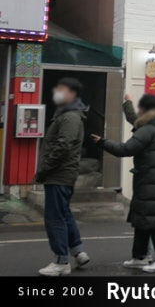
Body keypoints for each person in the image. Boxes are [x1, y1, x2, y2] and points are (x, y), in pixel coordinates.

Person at [92, 94, 155, 273]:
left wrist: (103, 142)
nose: (138, 111)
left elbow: (126, 149)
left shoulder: (149, 129)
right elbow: (135, 121)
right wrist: (127, 102)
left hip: (150, 181)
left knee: (153, 221)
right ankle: (139, 256)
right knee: (143, 220)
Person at [35, 77, 90, 276]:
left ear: (72, 94)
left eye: (61, 89)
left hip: (59, 174)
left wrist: (44, 169)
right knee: (64, 214)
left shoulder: (70, 117)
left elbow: (63, 146)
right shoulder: (67, 115)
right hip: (61, 173)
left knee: (54, 217)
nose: (56, 92)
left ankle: (61, 262)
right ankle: (78, 251)